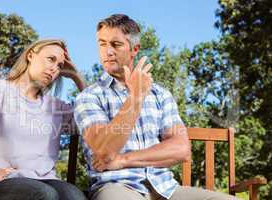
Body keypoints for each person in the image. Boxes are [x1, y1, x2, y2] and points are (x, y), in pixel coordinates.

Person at [74, 14, 238, 200]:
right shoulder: (89, 97)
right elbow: (104, 151)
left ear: (134, 49)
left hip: (166, 189)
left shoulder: (160, 94)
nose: (107, 51)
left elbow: (181, 149)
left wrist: (123, 160)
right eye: (102, 43)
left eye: (116, 44)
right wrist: (136, 97)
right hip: (117, 187)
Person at [0, 39, 87, 200]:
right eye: (51, 59)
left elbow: (91, 121)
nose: (54, 68)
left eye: (60, 66)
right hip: (5, 185)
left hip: (48, 182)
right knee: (45, 194)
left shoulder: (55, 106)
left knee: (74, 196)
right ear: (30, 55)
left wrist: (77, 76)